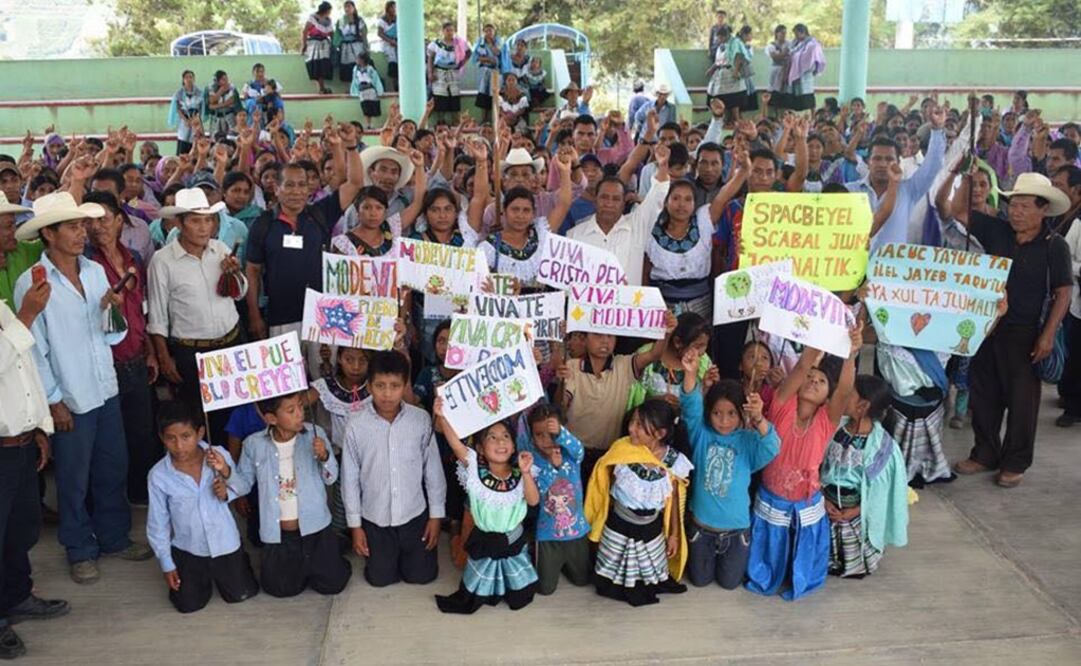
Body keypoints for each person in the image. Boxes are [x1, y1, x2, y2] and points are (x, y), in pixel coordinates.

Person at [14, 192, 153, 585]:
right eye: (72, 227)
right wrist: (54, 401)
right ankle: (79, 547)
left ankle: (112, 536)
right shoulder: (35, 283)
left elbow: (110, 336)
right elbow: (35, 351)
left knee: (113, 467)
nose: (82, 232)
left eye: (81, 225)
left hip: (105, 387)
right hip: (71, 396)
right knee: (74, 479)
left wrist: (111, 310)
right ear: (49, 234)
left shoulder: (93, 271)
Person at [953, 173, 1073, 488]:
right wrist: (959, 178)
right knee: (984, 395)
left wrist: (1048, 334)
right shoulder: (997, 231)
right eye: (1013, 205)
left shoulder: (1054, 246)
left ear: (1042, 209)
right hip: (989, 327)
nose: (1015, 212)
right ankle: (984, 453)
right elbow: (953, 209)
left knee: (1022, 402)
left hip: (1027, 334)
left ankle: (1015, 461)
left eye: (1023, 206)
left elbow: (1063, 292)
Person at [745, 324, 862, 601]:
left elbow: (844, 391)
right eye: (810, 377)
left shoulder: (826, 420)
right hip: (772, 501)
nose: (812, 381)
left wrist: (852, 353)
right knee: (769, 560)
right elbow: (799, 369)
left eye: (821, 382)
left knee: (800, 558)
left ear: (826, 397)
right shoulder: (781, 405)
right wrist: (814, 346)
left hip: (806, 505)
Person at [245, 125, 363, 374]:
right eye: (289, 185)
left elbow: (355, 183)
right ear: (276, 189)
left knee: (326, 379)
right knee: (288, 383)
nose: (297, 191)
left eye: (302, 185)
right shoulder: (263, 224)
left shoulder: (321, 213)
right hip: (282, 316)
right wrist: (254, 315)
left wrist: (350, 145)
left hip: (325, 314)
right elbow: (252, 272)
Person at [217, 392, 352, 597]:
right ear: (271, 418)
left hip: (316, 528)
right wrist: (226, 471)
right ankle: (315, 559)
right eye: (291, 410)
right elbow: (243, 484)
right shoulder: (253, 444)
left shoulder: (315, 435)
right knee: (280, 589)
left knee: (333, 584)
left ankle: (334, 548)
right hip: (279, 534)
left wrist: (324, 456)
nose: (300, 413)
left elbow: (331, 478)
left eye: (300, 406)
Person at [0, 268, 69, 660]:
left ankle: (17, 596)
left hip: (20, 442)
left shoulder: (3, 306)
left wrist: (39, 426)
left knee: (20, 529)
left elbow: (25, 371)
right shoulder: (17, 311)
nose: (10, 237)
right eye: (5, 227)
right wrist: (27, 316)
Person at [147, 188, 247, 446]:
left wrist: (234, 273)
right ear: (179, 223)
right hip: (191, 354)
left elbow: (239, 293)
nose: (204, 228)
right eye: (195, 221)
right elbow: (157, 315)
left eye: (208, 220)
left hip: (230, 344)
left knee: (234, 418)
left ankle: (232, 476)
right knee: (199, 420)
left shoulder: (221, 249)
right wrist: (164, 356)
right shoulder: (162, 261)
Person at [341, 351, 446, 587]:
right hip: (375, 519)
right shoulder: (356, 426)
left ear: (405, 385)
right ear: (369, 386)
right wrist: (355, 526)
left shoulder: (420, 420)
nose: (387, 394)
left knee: (422, 576)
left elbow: (433, 472)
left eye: (395, 386)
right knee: (380, 579)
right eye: (380, 385)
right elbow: (350, 479)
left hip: (414, 515)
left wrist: (436, 516)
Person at [83, 192, 159, 506]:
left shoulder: (134, 259)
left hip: (136, 358)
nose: (96, 226)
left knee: (141, 433)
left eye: (103, 219)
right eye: (89, 221)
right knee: (107, 442)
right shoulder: (84, 263)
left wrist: (151, 350)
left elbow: (141, 308)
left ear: (119, 221)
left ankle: (139, 495)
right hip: (104, 364)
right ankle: (103, 504)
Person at [147, 402, 259, 613]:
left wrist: (226, 474)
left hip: (226, 544)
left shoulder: (218, 455)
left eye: (186, 437)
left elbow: (243, 487)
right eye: (171, 438)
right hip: (190, 548)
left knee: (241, 594)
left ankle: (239, 562)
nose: (179, 446)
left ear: (200, 433)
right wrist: (166, 563)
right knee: (188, 605)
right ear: (162, 437)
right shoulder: (158, 475)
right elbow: (157, 523)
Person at [679, 356, 779, 590]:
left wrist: (759, 418)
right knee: (700, 581)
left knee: (729, 584)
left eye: (732, 414)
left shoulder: (748, 441)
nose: (724, 421)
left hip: (736, 533)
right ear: (709, 413)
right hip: (701, 530)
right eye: (717, 413)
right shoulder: (701, 435)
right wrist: (691, 374)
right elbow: (691, 406)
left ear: (741, 414)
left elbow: (772, 446)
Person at [433, 400, 540, 614]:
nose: (500, 442)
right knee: (479, 589)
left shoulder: (521, 472)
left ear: (513, 445)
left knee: (519, 594)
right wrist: (442, 416)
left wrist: (526, 473)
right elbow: (455, 444)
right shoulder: (474, 469)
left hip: (512, 541)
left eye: (505, 437)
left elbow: (533, 501)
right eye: (492, 437)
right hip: (485, 542)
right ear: (481, 447)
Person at [585, 398, 692, 607]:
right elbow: (604, 483)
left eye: (640, 426)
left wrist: (674, 535)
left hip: (650, 528)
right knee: (611, 572)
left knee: (647, 573)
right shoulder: (621, 450)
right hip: (618, 524)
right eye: (632, 422)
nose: (632, 429)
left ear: (660, 434)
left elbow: (674, 500)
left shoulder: (674, 461)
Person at [822, 375, 909, 579]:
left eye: (849, 393)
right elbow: (821, 469)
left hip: (856, 514)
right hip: (827, 504)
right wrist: (823, 499)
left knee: (852, 557)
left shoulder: (882, 448)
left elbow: (881, 493)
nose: (842, 395)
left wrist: (855, 511)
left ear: (862, 406)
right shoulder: (836, 430)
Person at [568, 144, 671, 286]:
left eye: (616, 199)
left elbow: (658, 194)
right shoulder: (574, 235)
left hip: (628, 306)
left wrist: (663, 166)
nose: (609, 203)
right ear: (595, 200)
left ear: (624, 203)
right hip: (587, 308)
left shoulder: (636, 226)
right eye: (604, 197)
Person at [846, 104, 946, 250]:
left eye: (889, 159)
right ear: (868, 161)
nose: (882, 164)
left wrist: (937, 130)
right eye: (877, 158)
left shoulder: (909, 190)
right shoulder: (849, 191)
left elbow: (933, 166)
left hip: (891, 270)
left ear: (899, 162)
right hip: (855, 268)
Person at [516, 404, 590, 595]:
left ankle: (566, 564)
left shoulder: (570, 454)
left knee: (583, 580)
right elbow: (536, 493)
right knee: (545, 588)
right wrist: (552, 467)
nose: (546, 440)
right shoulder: (531, 461)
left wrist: (561, 433)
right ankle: (544, 558)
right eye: (539, 435)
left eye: (551, 434)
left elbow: (580, 450)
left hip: (577, 531)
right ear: (532, 437)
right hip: (548, 535)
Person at [1052, 165, 1081, 427]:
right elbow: (1066, 260)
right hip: (1077, 303)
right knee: (1076, 352)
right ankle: (1072, 405)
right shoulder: (1077, 222)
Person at [0, 194, 39, 310]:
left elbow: (60, 234)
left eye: (14, 224)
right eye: (9, 226)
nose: (15, 231)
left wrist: (77, 182)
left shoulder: (23, 250)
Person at [427, 22, 471, 126]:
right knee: (440, 96)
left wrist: (461, 63)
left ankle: (455, 121)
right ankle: (441, 121)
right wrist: (430, 72)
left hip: (453, 72)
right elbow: (430, 58)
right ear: (443, 31)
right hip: (439, 72)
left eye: (452, 30)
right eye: (447, 30)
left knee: (455, 96)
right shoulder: (436, 44)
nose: (450, 33)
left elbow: (469, 52)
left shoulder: (458, 43)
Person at [783, 24, 826, 112]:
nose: (796, 36)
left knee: (807, 96)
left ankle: (813, 116)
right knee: (791, 96)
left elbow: (809, 56)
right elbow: (791, 53)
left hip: (805, 73)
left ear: (803, 32)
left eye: (797, 34)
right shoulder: (795, 43)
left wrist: (796, 55)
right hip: (793, 72)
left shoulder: (812, 43)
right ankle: (788, 116)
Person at [168, 70, 203, 155]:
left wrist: (195, 120)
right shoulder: (179, 93)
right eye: (186, 77)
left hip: (196, 120)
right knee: (183, 143)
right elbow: (178, 108)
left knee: (196, 140)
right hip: (184, 122)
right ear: (183, 80)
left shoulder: (199, 92)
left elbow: (201, 107)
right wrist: (186, 120)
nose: (189, 79)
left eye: (190, 77)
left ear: (194, 79)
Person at [303, 2, 336, 95]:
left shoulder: (328, 20)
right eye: (329, 10)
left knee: (323, 66)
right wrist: (304, 45)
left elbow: (331, 33)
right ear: (325, 10)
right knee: (316, 66)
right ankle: (321, 88)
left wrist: (335, 45)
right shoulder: (313, 17)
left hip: (324, 45)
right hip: (314, 45)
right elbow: (305, 31)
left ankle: (322, 88)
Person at [473, 24, 503, 122]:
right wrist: (487, 59)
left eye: (490, 31)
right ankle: (484, 119)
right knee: (483, 95)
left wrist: (492, 45)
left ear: (494, 32)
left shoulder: (498, 42)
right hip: (484, 72)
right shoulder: (480, 43)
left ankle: (494, 119)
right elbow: (476, 57)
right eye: (486, 31)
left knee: (494, 95)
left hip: (495, 72)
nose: (488, 33)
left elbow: (498, 54)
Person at [335, 1, 369, 83]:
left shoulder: (359, 20)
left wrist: (366, 46)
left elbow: (364, 34)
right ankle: (351, 87)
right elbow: (338, 35)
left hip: (357, 46)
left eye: (349, 6)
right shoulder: (341, 20)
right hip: (346, 47)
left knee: (359, 65)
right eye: (345, 7)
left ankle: (360, 84)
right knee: (348, 68)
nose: (347, 9)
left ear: (354, 8)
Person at [350, 53, 385, 130]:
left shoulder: (370, 69)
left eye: (358, 59)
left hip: (370, 90)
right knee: (365, 107)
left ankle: (370, 124)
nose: (357, 60)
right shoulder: (356, 69)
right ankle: (368, 124)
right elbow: (355, 80)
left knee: (370, 106)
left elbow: (375, 80)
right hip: (362, 91)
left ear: (362, 60)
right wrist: (354, 90)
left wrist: (379, 91)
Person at [205, 71, 241, 139]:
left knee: (230, 138)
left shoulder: (232, 88)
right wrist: (221, 91)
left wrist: (215, 106)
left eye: (226, 79)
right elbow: (211, 101)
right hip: (216, 117)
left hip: (229, 116)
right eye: (223, 80)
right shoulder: (211, 88)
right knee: (214, 138)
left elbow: (231, 101)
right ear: (218, 81)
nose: (226, 81)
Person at [377, 2, 399, 92]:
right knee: (393, 66)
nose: (394, 9)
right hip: (388, 44)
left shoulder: (397, 19)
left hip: (397, 44)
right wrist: (390, 41)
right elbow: (380, 33)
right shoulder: (382, 20)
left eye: (395, 7)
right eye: (392, 7)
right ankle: (394, 88)